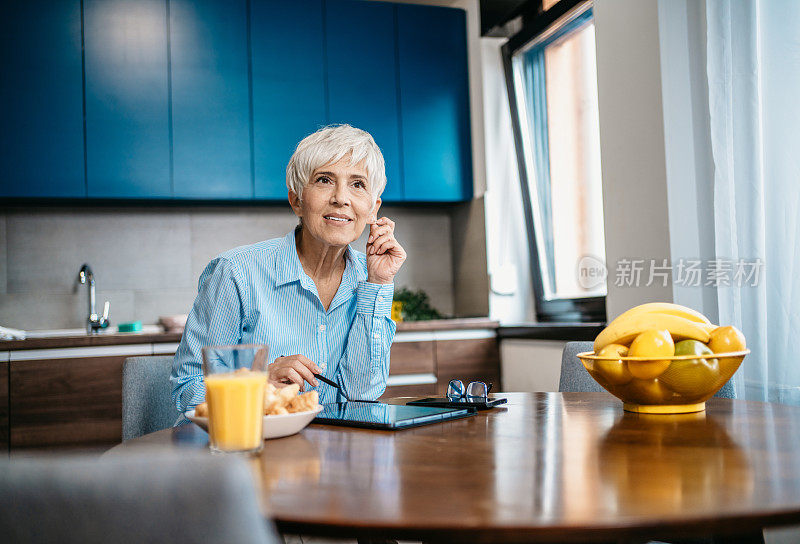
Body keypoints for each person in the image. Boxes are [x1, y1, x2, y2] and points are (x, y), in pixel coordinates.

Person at [170, 125, 407, 416]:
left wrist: (379, 283)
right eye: (324, 180)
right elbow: (188, 391)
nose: (341, 198)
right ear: (296, 200)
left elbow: (360, 396)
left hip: (336, 452)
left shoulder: (368, 279)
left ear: (373, 208)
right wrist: (259, 383)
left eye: (358, 184)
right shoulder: (236, 273)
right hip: (244, 451)